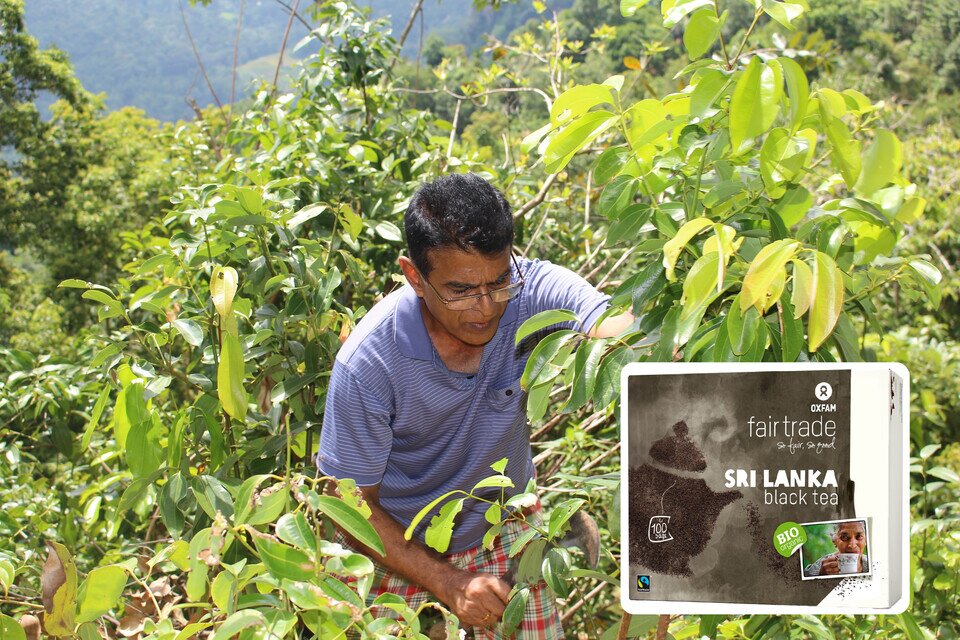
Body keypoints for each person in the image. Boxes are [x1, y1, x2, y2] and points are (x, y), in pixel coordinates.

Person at [317, 173, 632, 638]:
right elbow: (344, 504)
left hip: (505, 521)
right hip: (400, 545)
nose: (485, 307)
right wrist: (449, 582)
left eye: (498, 281)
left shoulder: (531, 292)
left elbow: (612, 322)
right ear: (414, 276)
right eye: (461, 290)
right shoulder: (369, 362)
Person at [803, 520, 868, 577]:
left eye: (859, 536)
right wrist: (821, 576)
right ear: (834, 541)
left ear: (866, 541)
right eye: (844, 537)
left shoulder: (871, 565)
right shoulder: (820, 566)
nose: (852, 545)